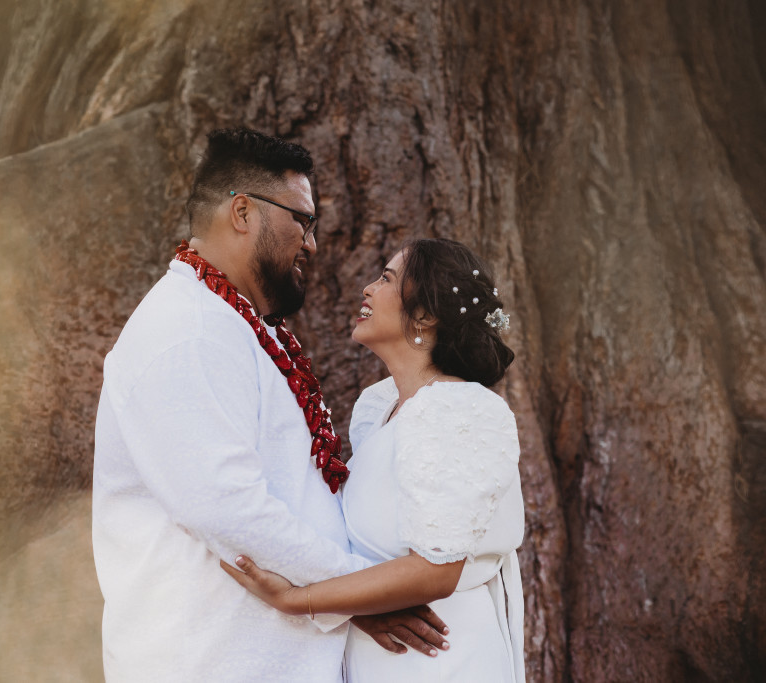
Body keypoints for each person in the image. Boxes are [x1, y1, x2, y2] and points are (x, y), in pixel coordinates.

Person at [92, 129, 449, 682]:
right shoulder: (186, 331)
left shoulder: (238, 324)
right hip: (212, 664)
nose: (312, 243)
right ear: (242, 212)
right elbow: (226, 505)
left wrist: (346, 594)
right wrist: (357, 592)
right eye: (302, 221)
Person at [223, 238, 526, 682]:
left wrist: (297, 600)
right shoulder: (381, 408)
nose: (367, 288)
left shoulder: (459, 408)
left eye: (386, 279)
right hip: (379, 661)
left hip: (440, 659)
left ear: (425, 315)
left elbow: (435, 570)